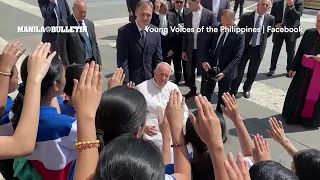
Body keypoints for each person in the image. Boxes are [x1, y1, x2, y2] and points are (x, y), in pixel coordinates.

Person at [135, 62, 189, 164]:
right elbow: (134, 113)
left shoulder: (173, 87)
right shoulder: (141, 88)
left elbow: (184, 110)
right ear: (154, 72)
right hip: (153, 131)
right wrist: (143, 127)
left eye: (167, 76)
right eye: (161, 74)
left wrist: (182, 126)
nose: (163, 78)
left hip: (173, 128)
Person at [200, 9, 245, 114]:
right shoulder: (215, 27)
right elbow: (205, 45)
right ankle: (204, 113)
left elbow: (237, 57)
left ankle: (219, 115)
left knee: (223, 97)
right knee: (206, 93)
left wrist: (224, 73)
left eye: (228, 24)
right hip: (211, 67)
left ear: (234, 20)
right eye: (223, 23)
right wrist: (205, 61)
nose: (225, 27)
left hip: (226, 71)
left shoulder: (239, 34)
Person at [282, 12, 320, 128]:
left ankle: (309, 121)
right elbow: (300, 51)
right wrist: (293, 67)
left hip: (317, 74)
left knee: (313, 98)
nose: (318, 23)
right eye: (317, 20)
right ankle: (293, 117)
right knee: (297, 95)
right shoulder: (309, 32)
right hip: (303, 71)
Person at [230, 0, 275, 98]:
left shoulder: (270, 19)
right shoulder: (246, 17)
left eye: (266, 5)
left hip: (258, 49)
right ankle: (233, 90)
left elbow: (268, 33)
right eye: (262, 4)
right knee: (239, 70)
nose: (264, 6)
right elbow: (238, 31)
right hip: (245, 48)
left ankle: (247, 88)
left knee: (253, 71)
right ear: (258, 5)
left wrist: (259, 40)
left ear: (269, 8)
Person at [117, 0, 162, 85]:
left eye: (148, 15)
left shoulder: (155, 31)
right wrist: (126, 82)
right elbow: (123, 60)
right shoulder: (125, 32)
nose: (145, 18)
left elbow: (158, 59)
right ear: (136, 13)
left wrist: (158, 78)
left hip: (151, 80)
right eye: (142, 14)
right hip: (132, 82)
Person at [182, 0, 216, 98]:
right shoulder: (188, 16)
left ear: (197, 2)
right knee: (190, 71)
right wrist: (184, 50)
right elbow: (185, 34)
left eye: (190, 3)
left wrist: (211, 51)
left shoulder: (209, 15)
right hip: (190, 49)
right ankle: (192, 90)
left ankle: (203, 93)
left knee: (204, 73)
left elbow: (213, 35)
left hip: (204, 51)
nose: (188, 5)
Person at [58, 0, 101, 66]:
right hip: (76, 65)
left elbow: (94, 44)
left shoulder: (89, 24)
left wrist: (99, 63)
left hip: (92, 63)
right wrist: (67, 67)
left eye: (84, 12)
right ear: (73, 10)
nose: (83, 14)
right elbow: (62, 49)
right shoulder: (65, 24)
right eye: (81, 12)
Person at [266, 0, 304, 77]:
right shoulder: (277, 2)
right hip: (279, 30)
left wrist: (291, 6)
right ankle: (272, 69)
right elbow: (272, 16)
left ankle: (289, 70)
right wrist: (275, 25)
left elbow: (297, 16)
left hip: (291, 31)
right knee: (275, 50)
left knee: (290, 52)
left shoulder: (299, 2)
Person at [169, 0, 191, 84]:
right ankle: (177, 78)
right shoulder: (170, 13)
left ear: (184, 3)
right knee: (176, 61)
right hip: (175, 42)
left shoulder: (188, 12)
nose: (179, 4)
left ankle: (187, 79)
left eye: (181, 2)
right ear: (174, 2)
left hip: (186, 41)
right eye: (177, 2)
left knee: (186, 62)